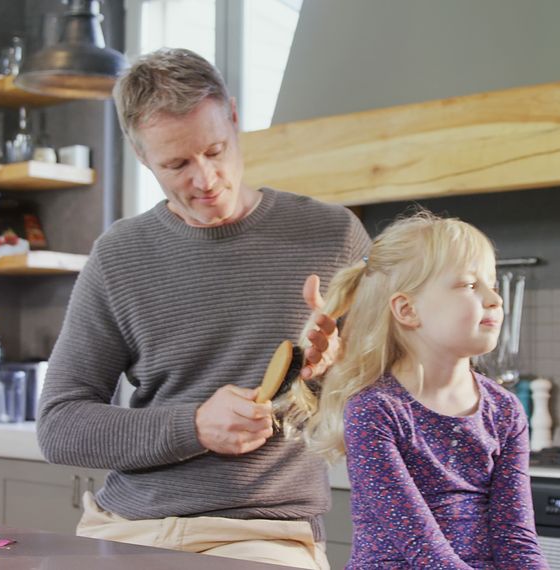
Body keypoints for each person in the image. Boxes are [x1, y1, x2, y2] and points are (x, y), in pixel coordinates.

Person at [36, 47, 371, 570]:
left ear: (234, 117)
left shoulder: (333, 236)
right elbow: (59, 425)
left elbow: (390, 393)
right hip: (126, 527)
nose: (206, 179)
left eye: (215, 150)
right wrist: (193, 427)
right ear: (143, 157)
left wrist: (339, 372)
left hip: (262, 535)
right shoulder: (120, 255)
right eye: (177, 164)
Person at [281, 211, 548, 569]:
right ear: (407, 309)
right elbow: (422, 546)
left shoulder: (505, 410)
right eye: (470, 285)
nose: (494, 299)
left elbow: (515, 537)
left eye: (493, 285)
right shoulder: (375, 411)